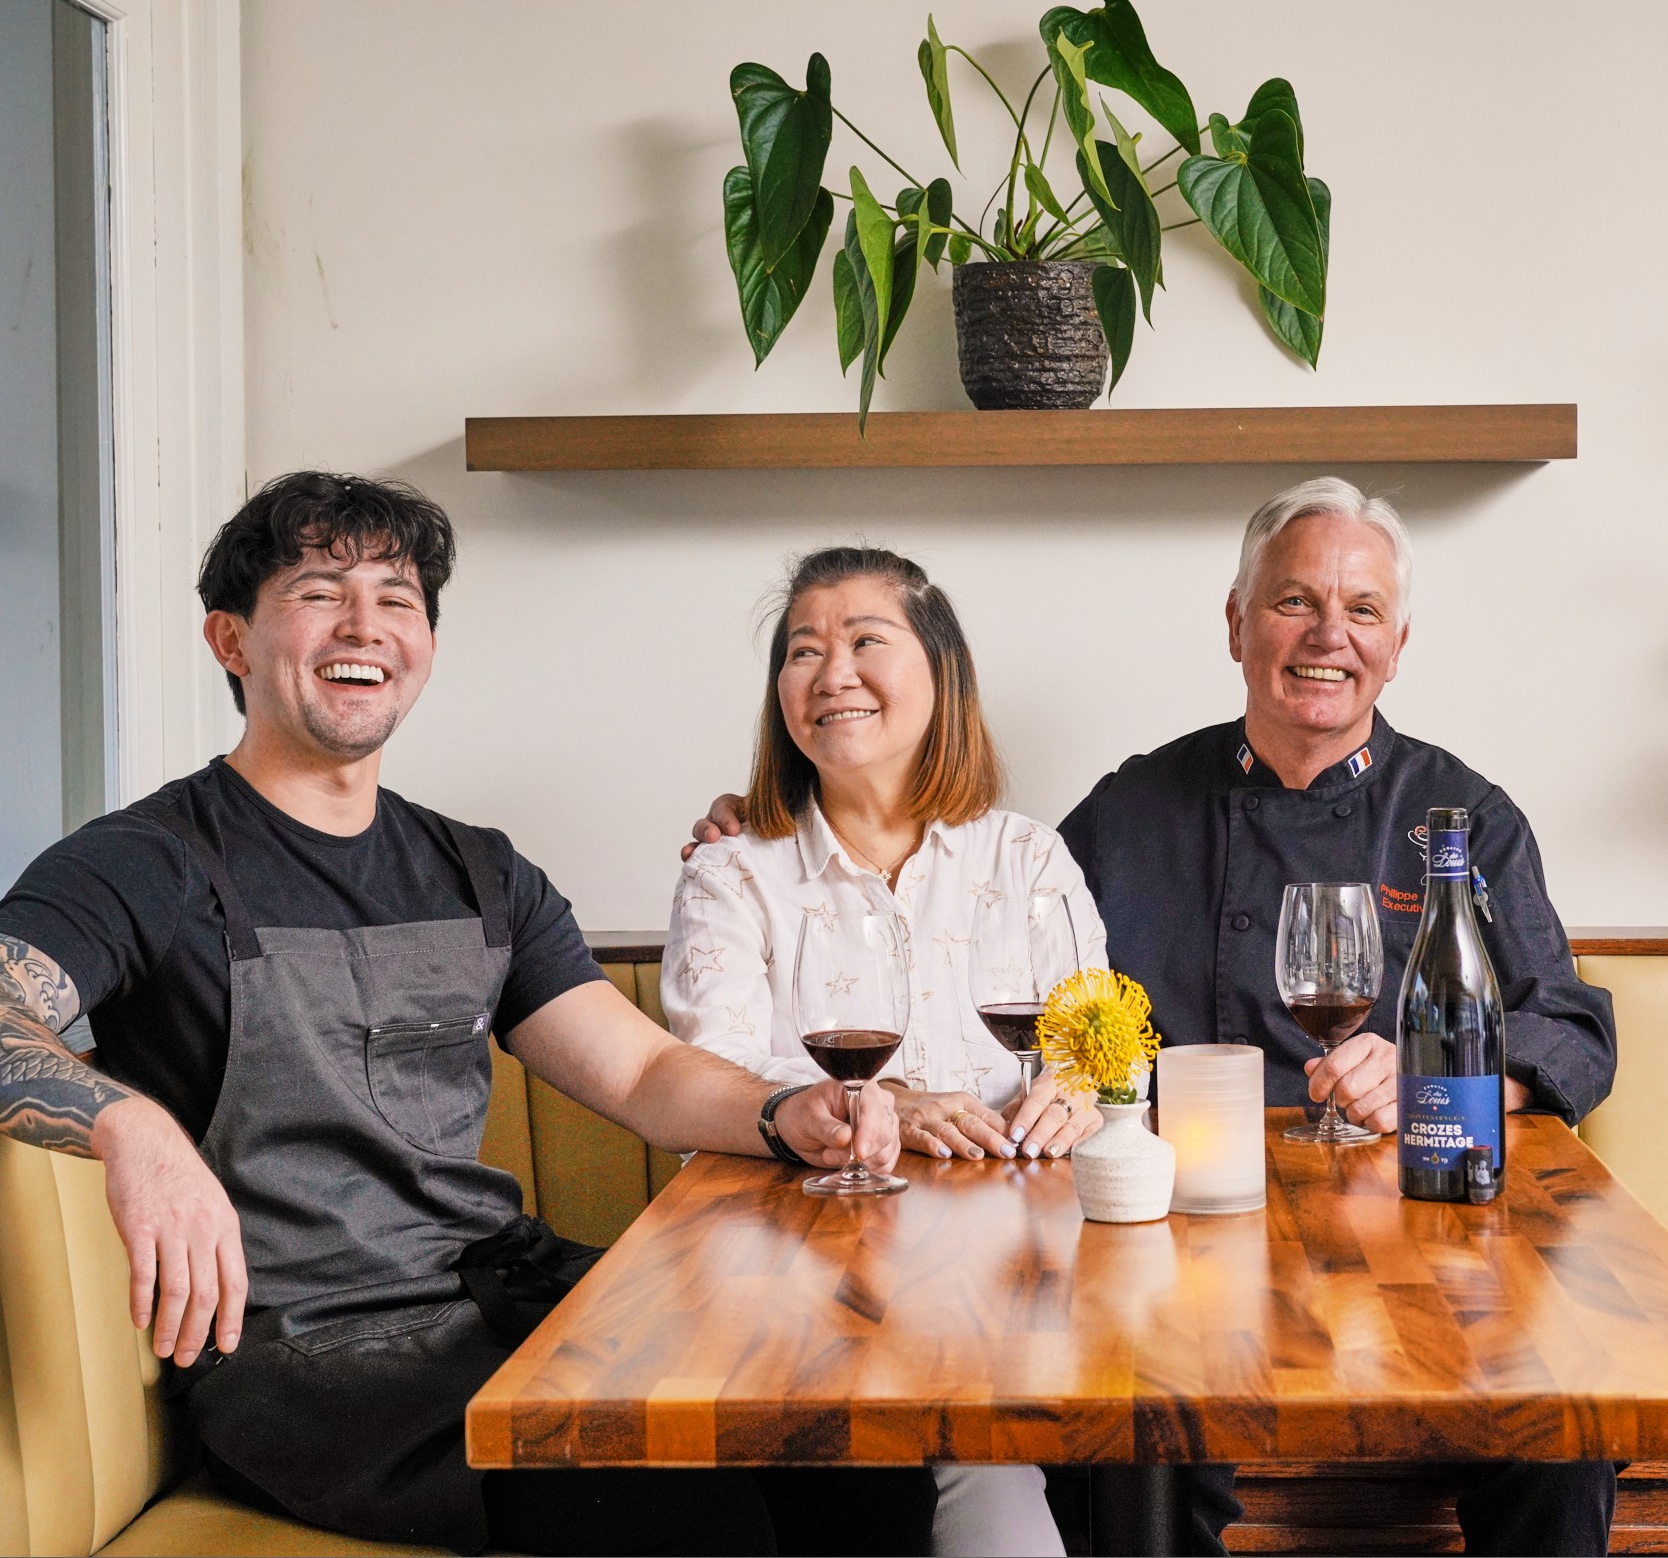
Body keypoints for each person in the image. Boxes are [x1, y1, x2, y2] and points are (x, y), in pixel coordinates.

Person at [0, 471, 937, 1558]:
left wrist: (786, 1111)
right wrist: (131, 1128)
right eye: (318, 591)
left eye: (398, 599)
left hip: (504, 1300)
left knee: (857, 1432)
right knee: (682, 1509)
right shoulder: (149, 860)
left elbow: (639, 1077)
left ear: (427, 645)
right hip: (314, 1358)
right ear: (231, 640)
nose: (366, 626)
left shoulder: (477, 869)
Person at [687, 479, 1619, 1556]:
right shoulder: (1132, 810)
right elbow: (998, 930)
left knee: (1564, 1431)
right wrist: (760, 824)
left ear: (1398, 642)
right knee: (1134, 1443)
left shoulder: (1460, 818)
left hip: (1408, 1235)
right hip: (1179, 1246)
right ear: (1235, 622)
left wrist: (1441, 1087)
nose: (1328, 637)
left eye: (1361, 611)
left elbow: (1573, 1029)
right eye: (1292, 603)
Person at [664, 545, 1108, 1558]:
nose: (833, 674)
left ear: (940, 673)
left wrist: (1083, 1090)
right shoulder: (734, 875)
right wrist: (885, 1105)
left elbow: (1094, 1047)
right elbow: (710, 1080)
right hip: (802, 1281)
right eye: (802, 651)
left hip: (1015, 1278)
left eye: (868, 641)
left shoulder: (1028, 858)